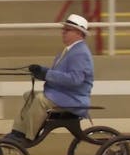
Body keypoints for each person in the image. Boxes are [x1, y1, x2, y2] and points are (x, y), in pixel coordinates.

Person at [5, 14, 94, 146]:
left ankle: (29, 136)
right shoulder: (69, 51)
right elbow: (58, 74)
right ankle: (18, 131)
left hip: (74, 98)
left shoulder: (80, 53)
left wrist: (46, 74)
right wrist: (41, 71)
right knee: (29, 95)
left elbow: (75, 80)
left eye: (67, 30)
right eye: (64, 29)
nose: (63, 32)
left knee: (41, 100)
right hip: (63, 95)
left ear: (78, 33)